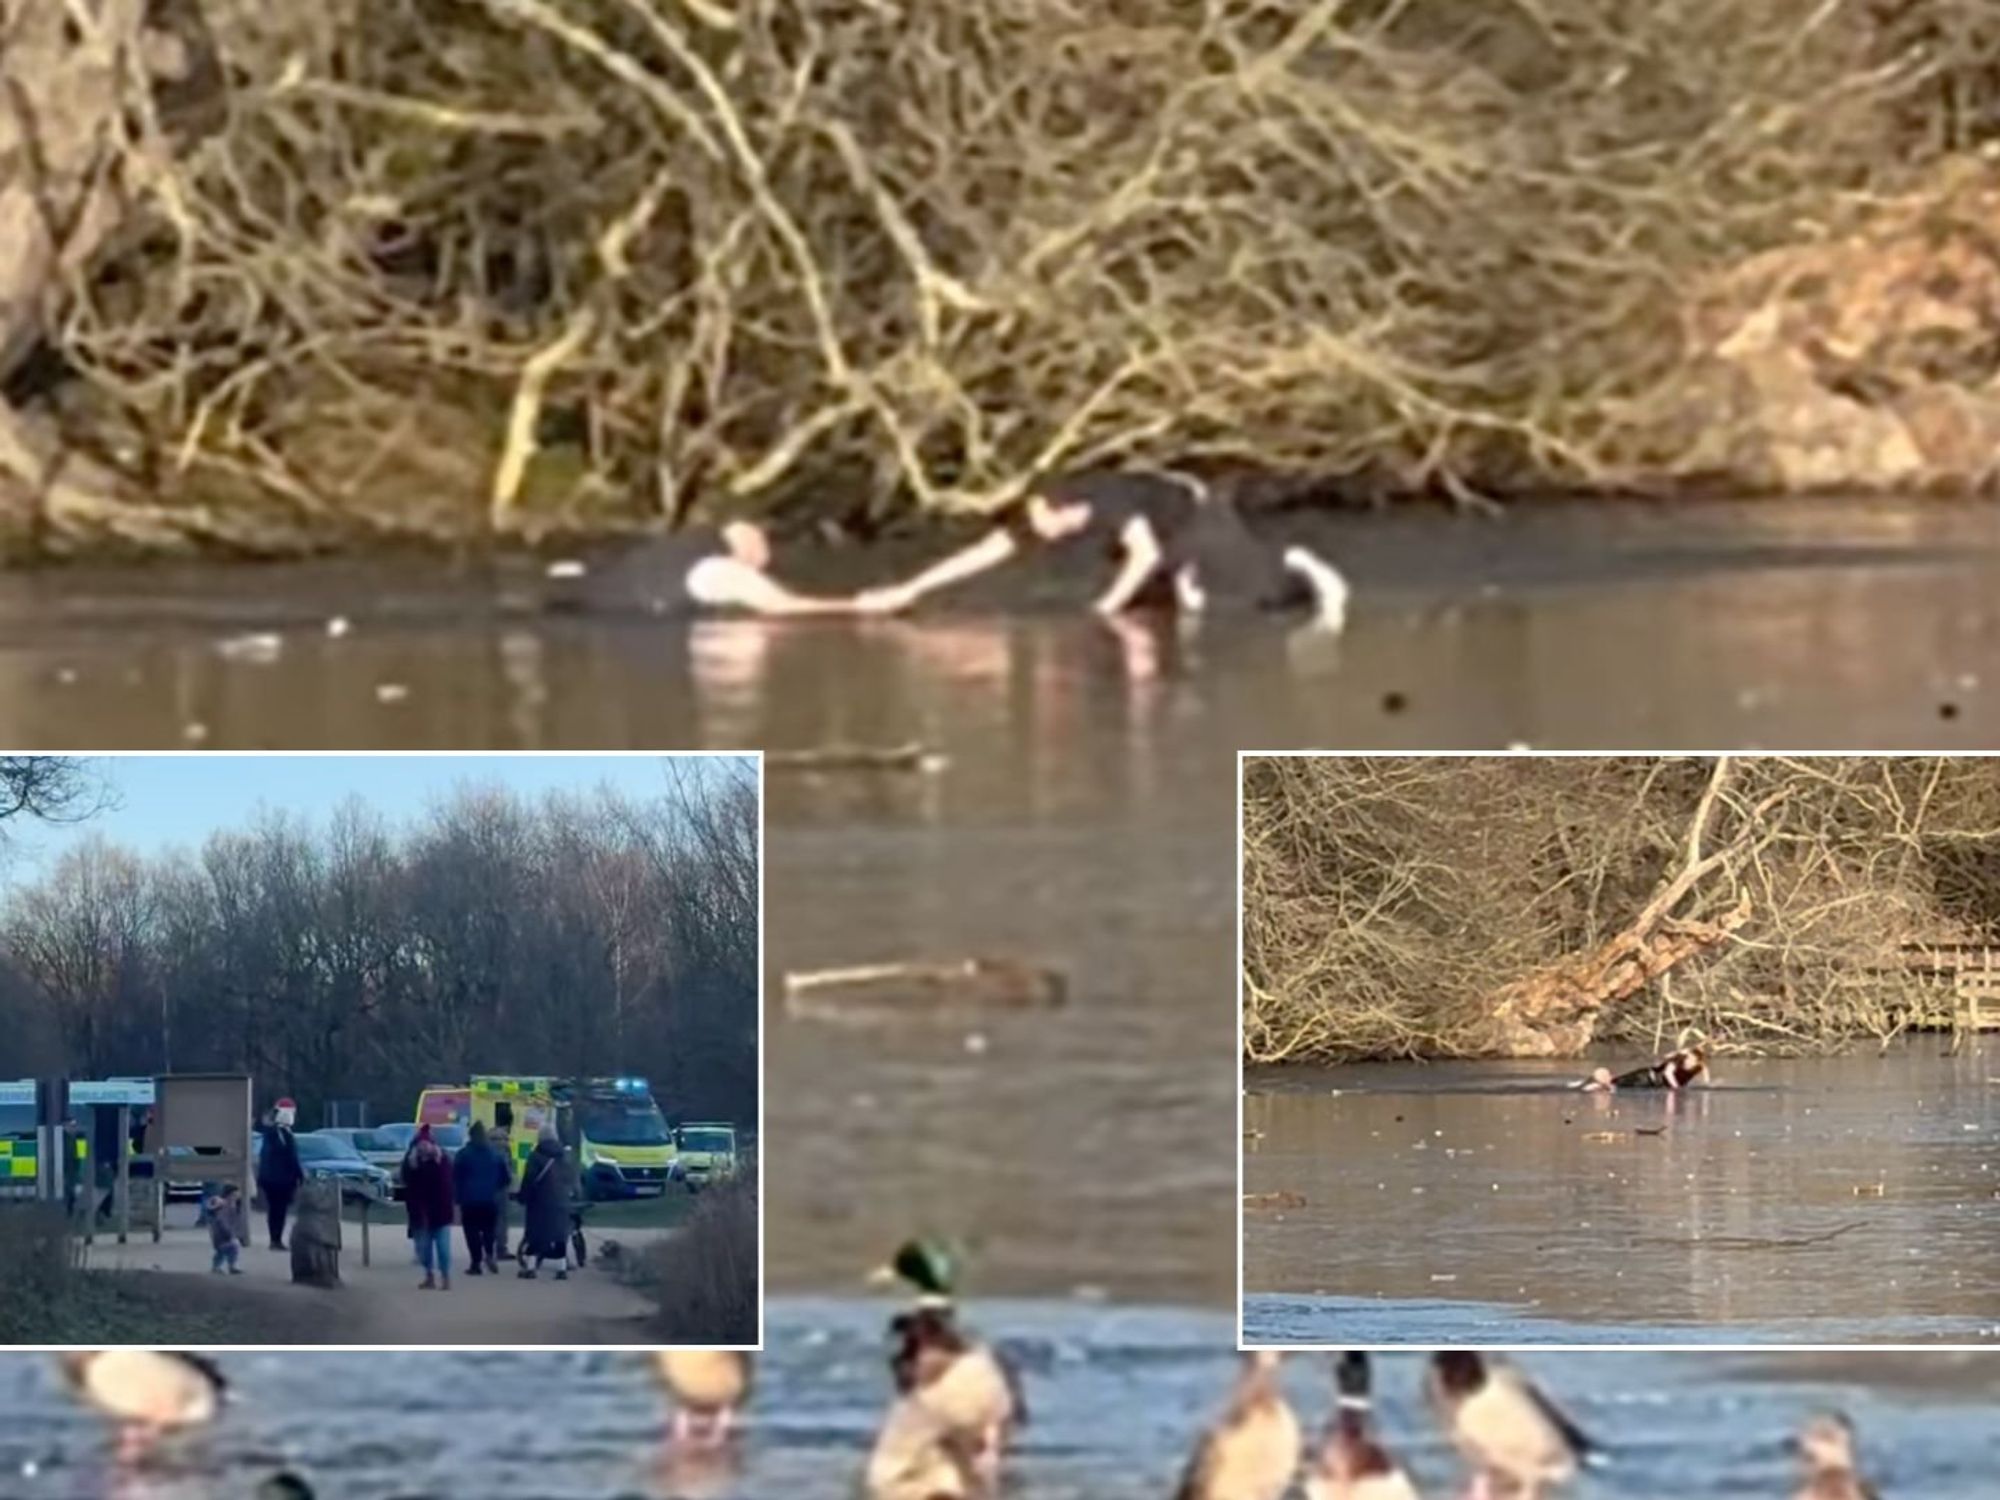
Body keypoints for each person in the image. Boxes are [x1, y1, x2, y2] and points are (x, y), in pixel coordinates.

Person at [856, 470, 1350, 628]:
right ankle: (1183, 594)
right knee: (1156, 610)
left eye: (1048, 525)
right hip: (1153, 533)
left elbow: (1144, 554)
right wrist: (909, 589)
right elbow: (981, 554)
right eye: (1034, 526)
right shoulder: (1041, 514)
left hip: (1192, 512)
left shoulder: (1104, 503)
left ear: (1067, 508)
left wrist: (1103, 609)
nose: (1042, 536)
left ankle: (1297, 564)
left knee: (1258, 592)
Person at [547, 520, 859, 617]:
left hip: (576, 596)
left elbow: (566, 571)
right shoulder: (722, 571)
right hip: (631, 614)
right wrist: (857, 606)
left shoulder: (667, 547)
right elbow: (784, 607)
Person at [515, 1123, 573, 1281]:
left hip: (539, 1201)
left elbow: (529, 1179)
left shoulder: (535, 1156)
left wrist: (522, 1196)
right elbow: (569, 1178)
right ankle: (561, 1269)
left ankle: (531, 1268)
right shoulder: (564, 1156)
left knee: (535, 1234)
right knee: (559, 1235)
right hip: (561, 1201)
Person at [451, 1121, 511, 1275]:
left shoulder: (463, 1154)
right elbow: (505, 1178)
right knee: (489, 1229)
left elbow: (455, 1177)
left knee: (471, 1231)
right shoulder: (495, 1155)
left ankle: (476, 1263)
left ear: (470, 1136)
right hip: (490, 1199)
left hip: (469, 1200)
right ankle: (490, 1253)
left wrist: (457, 1197)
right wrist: (495, 1187)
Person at [402, 1124, 455, 1291]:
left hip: (441, 1211)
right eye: (421, 1145)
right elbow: (406, 1182)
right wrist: (411, 1166)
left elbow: (447, 1184)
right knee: (424, 1250)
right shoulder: (411, 1163)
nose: (424, 1148)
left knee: (443, 1249)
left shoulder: (443, 1161)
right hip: (421, 1213)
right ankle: (429, 1276)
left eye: (427, 1144)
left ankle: (445, 1277)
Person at [253, 1099, 305, 1251]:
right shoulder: (285, 1136)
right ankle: (276, 1240)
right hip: (282, 1180)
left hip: (270, 1179)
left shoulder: (271, 1134)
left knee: (274, 1210)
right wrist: (300, 1176)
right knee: (280, 1211)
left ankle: (274, 1239)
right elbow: (292, 1158)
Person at [206, 1185, 245, 1274]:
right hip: (221, 1234)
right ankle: (230, 1266)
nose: (236, 1197)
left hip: (223, 1234)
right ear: (229, 1195)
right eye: (234, 1195)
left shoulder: (231, 1206)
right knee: (230, 1249)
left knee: (223, 1251)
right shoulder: (224, 1207)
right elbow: (222, 1221)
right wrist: (231, 1233)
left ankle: (218, 1267)